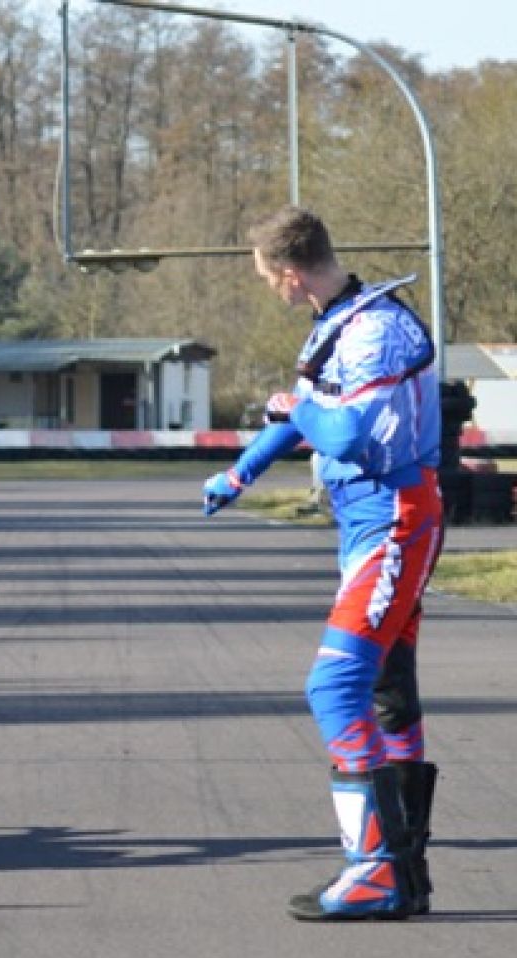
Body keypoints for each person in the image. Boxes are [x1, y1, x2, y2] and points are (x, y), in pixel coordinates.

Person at [202, 206, 442, 921]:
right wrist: (238, 476)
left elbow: (341, 427)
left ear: (289, 272)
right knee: (387, 691)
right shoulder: (337, 327)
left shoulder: (378, 330)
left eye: (268, 278)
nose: (271, 289)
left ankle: (374, 871)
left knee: (334, 686)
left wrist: (299, 412)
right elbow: (298, 414)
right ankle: (408, 874)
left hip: (394, 521)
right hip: (368, 524)